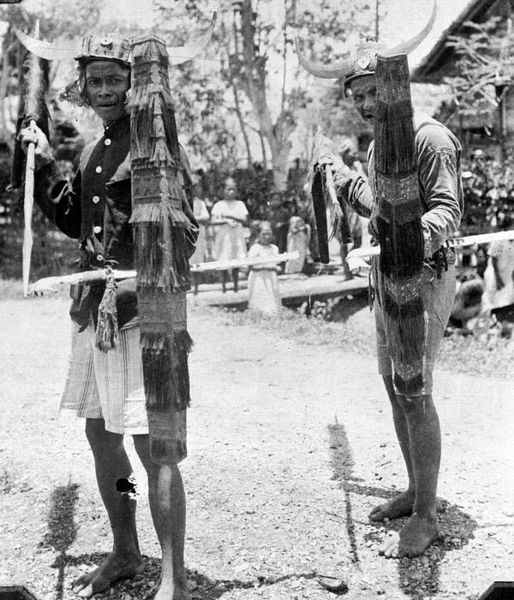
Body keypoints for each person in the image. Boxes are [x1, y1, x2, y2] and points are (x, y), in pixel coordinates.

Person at [18, 34, 196, 600]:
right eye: (95, 81)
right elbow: (76, 221)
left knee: (154, 445)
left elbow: (183, 236)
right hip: (95, 310)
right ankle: (125, 550)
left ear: (136, 85)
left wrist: (141, 276)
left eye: (114, 80)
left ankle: (174, 576)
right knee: (100, 434)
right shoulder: (99, 147)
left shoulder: (154, 148)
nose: (104, 91)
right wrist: (43, 160)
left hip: (141, 312)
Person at [298, 14, 463, 558]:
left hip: (427, 274)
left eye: (375, 91)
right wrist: (346, 185)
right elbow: (379, 211)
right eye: (359, 96)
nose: (368, 104)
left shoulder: (430, 138)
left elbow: (446, 211)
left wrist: (408, 238)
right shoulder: (377, 147)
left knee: (415, 387)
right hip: (385, 277)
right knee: (393, 383)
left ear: (398, 87)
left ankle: (427, 514)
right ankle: (416, 488)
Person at [211, 176, 248, 293]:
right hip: (224, 235)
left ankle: (236, 287)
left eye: (233, 189)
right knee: (224, 258)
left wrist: (231, 217)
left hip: (236, 235)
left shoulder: (240, 204)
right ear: (223, 190)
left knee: (236, 259)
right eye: (228, 189)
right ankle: (223, 288)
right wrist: (226, 220)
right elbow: (213, 220)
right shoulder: (219, 205)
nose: (231, 192)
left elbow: (245, 219)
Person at [247, 221, 281, 315]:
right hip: (258, 276)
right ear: (258, 234)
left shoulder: (274, 248)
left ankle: (273, 314)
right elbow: (250, 265)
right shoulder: (255, 248)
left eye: (269, 234)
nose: (267, 236)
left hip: (271, 277)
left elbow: (276, 262)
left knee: (272, 295)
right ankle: (258, 314)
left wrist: (275, 268)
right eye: (264, 234)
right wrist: (265, 267)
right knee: (260, 297)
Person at [483, 215, 514, 308]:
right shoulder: (499, 240)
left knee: (506, 301)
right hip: (494, 274)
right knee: (491, 300)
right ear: (508, 226)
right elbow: (494, 259)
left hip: (508, 274)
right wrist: (498, 278)